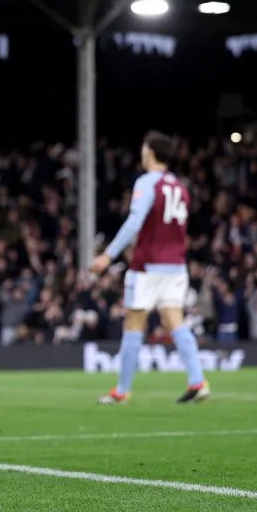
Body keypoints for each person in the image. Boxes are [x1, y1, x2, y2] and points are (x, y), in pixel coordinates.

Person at [89, 130, 210, 405]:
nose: (141, 153)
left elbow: (134, 222)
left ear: (151, 152)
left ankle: (122, 390)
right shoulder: (180, 187)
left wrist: (108, 256)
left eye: (144, 148)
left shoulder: (147, 183)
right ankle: (197, 380)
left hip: (148, 265)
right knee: (174, 320)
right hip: (176, 265)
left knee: (133, 323)